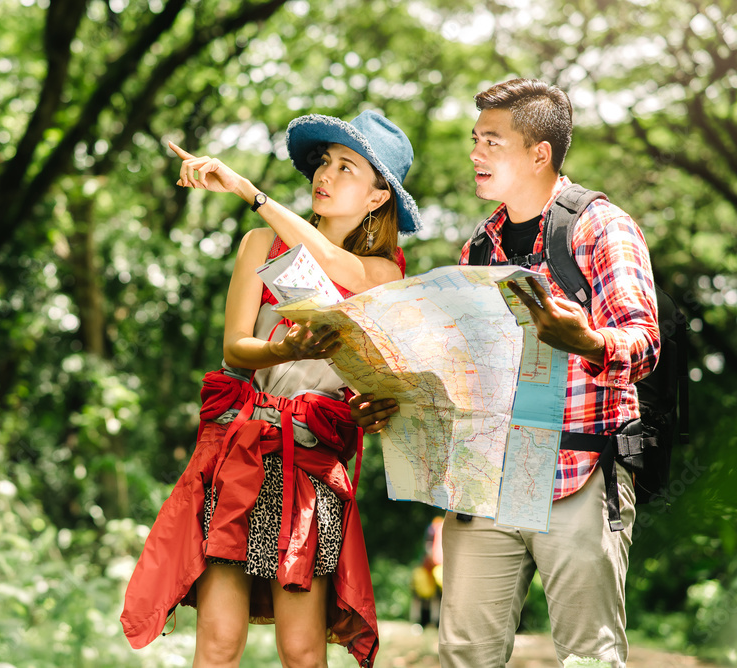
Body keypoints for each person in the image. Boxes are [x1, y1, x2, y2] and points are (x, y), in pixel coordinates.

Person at [350, 78, 660, 667]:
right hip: (486, 480)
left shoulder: (600, 227)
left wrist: (587, 340)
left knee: (588, 656)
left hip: (580, 472)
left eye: (492, 141)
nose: (475, 153)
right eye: (474, 139)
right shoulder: (479, 248)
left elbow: (643, 344)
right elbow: (464, 371)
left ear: (538, 152)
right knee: (464, 654)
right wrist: (393, 398)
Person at [120, 110, 422, 668]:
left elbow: (335, 267)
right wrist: (284, 350)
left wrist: (246, 189)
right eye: (324, 162)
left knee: (302, 651)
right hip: (243, 450)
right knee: (216, 641)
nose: (324, 175)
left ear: (379, 198)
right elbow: (236, 348)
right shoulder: (260, 244)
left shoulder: (383, 275)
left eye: (346, 167)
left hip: (310, 461)